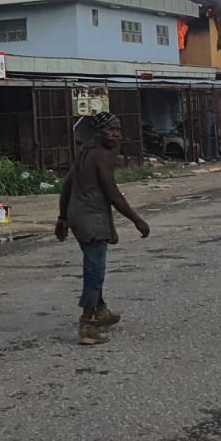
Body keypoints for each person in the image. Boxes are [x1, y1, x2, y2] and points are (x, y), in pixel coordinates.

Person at [55, 112, 151, 346]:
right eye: (111, 130)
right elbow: (113, 194)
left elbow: (67, 185)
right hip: (91, 220)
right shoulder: (100, 156)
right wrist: (137, 220)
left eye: (118, 130)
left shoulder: (84, 153)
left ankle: (101, 310)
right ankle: (87, 326)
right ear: (99, 133)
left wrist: (63, 217)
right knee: (95, 272)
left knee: (93, 265)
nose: (116, 134)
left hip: (80, 217)